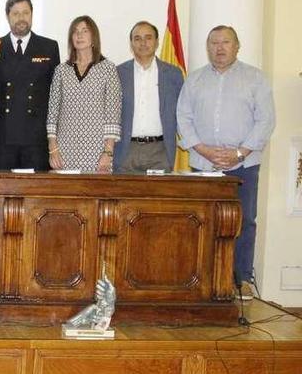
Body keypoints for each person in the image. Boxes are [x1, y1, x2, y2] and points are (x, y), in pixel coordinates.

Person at [177, 25, 275, 296]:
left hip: (244, 164)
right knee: (203, 220)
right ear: (207, 47)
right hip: (203, 164)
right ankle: (203, 277)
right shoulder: (194, 80)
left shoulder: (255, 79)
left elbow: (266, 121)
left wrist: (240, 152)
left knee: (244, 220)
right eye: (214, 43)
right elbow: (183, 118)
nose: (219, 48)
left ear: (237, 46)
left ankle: (240, 278)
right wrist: (203, 149)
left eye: (225, 42)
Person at [0, 0, 60, 171]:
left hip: (36, 137)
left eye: (26, 12)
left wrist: (52, 138)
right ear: (7, 16)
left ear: (32, 15)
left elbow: (55, 94)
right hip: (3, 137)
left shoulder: (48, 46)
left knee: (36, 193)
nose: (21, 18)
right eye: (16, 13)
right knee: (4, 191)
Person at [46, 16, 121, 172]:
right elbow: (52, 113)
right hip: (64, 151)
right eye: (75, 32)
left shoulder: (108, 69)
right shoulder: (61, 70)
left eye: (84, 31)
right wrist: (53, 149)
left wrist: (108, 153)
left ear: (94, 36)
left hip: (97, 152)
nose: (79, 35)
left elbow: (113, 115)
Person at [114, 21, 184, 173]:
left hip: (160, 152)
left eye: (148, 38)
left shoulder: (173, 74)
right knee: (125, 196)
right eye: (137, 38)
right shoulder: (118, 73)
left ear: (157, 42)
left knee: (158, 197)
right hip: (126, 150)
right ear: (131, 43)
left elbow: (182, 113)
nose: (143, 43)